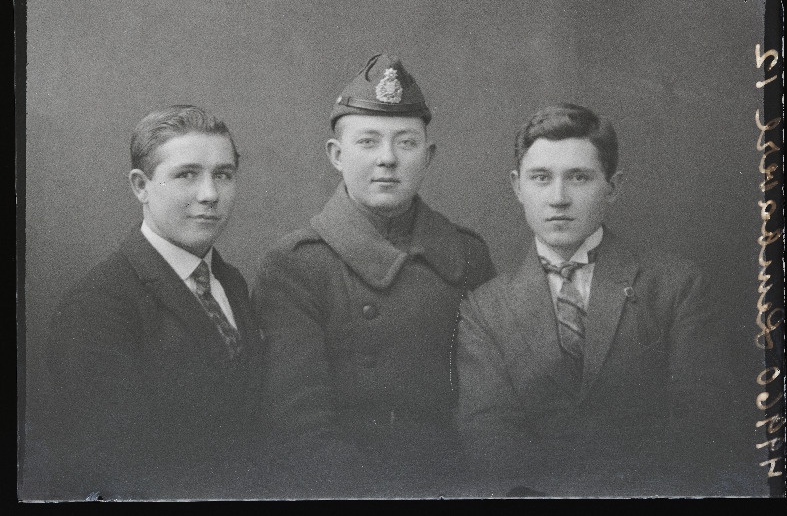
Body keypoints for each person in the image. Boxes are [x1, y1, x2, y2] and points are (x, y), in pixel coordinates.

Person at [456, 103, 737, 496]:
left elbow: (700, 426)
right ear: (518, 187)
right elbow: (489, 437)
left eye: (579, 178)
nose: (558, 198)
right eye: (541, 178)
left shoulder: (675, 287)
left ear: (612, 187)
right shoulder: (484, 309)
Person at [252, 54, 496, 497]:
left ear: (428, 156)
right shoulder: (295, 266)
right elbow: (300, 429)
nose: (388, 159)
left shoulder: (468, 255)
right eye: (368, 142)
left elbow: (493, 406)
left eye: (406, 143)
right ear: (336, 155)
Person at [46, 105, 266, 500]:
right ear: (140, 186)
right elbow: (114, 468)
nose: (210, 194)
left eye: (223, 175)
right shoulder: (97, 306)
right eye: (186, 175)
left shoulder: (230, 282)